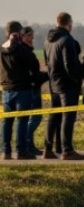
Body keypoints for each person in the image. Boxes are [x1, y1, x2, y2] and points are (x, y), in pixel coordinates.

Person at [44, 12, 84, 160]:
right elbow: (70, 65)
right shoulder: (66, 39)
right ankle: (67, 150)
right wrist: (77, 78)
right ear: (69, 23)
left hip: (54, 83)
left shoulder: (48, 40)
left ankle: (47, 148)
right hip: (67, 85)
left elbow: (47, 61)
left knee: (54, 116)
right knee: (68, 117)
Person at [1, 21, 41, 160]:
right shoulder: (21, 49)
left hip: (6, 89)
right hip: (22, 89)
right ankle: (21, 151)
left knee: (7, 121)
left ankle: (5, 150)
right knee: (22, 120)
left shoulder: (1, 49)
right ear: (18, 32)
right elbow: (34, 66)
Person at [21, 27, 48, 156]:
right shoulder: (26, 53)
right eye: (29, 36)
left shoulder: (26, 51)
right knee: (35, 118)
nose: (32, 38)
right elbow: (33, 75)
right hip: (32, 89)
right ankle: (26, 141)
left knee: (32, 118)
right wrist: (47, 75)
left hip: (30, 88)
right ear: (23, 37)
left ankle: (30, 145)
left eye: (32, 35)